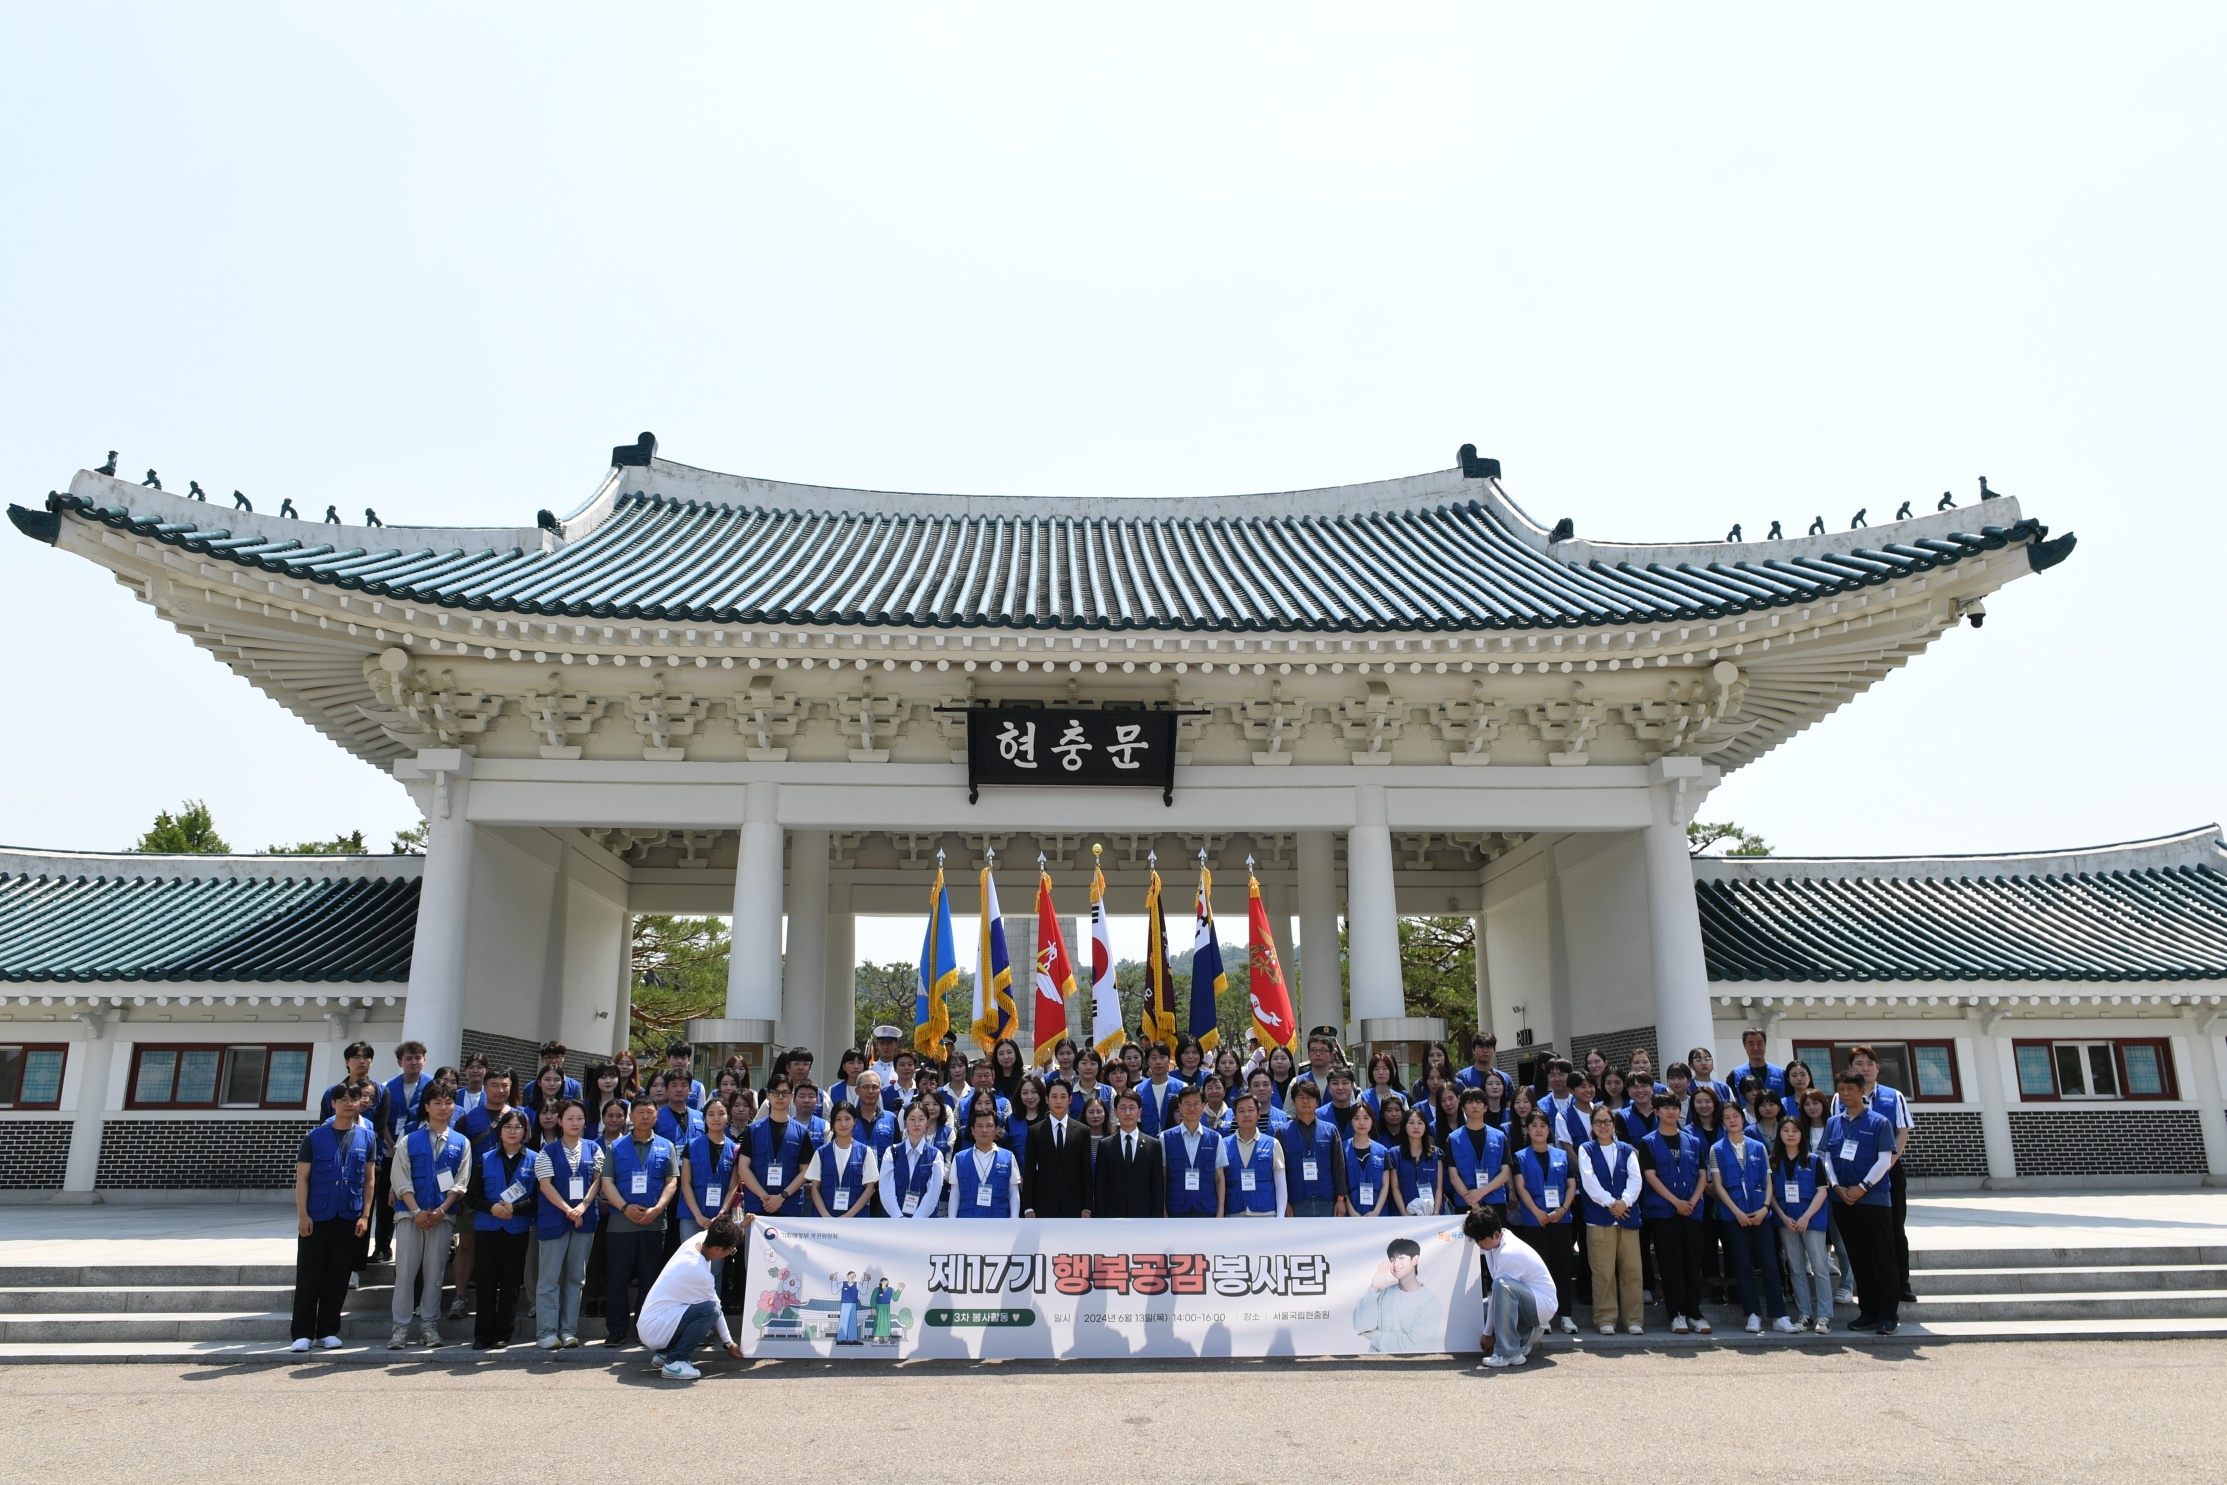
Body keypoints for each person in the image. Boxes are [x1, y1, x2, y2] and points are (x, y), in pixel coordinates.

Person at [290, 1076, 377, 1351]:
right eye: (343, 1100)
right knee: (309, 1274)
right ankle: (302, 1332)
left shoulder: (367, 1136)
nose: (349, 1104)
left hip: (348, 1214)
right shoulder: (315, 1137)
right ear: (333, 1104)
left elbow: (370, 1179)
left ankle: (328, 1330)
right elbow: (302, 1178)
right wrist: (303, 1215)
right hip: (318, 1214)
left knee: (339, 1274)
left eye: (354, 1099)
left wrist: (364, 1215)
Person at [388, 1080, 469, 1349]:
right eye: (437, 1103)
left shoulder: (461, 1142)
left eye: (448, 1102)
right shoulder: (410, 1139)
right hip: (410, 1216)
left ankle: (429, 1327)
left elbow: (460, 1181)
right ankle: (399, 1328)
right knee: (405, 1274)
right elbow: (400, 1179)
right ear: (426, 1106)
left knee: (435, 1274)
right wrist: (416, 1210)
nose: (443, 1108)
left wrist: (441, 1210)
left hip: (442, 1217)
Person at [600, 1095, 678, 1348]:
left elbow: (672, 1181)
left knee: (650, 1279)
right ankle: (616, 1329)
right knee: (617, 1279)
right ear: (631, 1117)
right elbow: (607, 1182)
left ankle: (647, 1329)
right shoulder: (615, 1147)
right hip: (621, 1224)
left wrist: (658, 1208)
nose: (645, 1116)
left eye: (650, 1112)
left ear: (657, 1116)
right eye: (640, 1112)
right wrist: (624, 1207)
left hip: (654, 1223)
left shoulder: (667, 1146)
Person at [1826, 1069, 1900, 1333]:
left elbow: (1884, 1160)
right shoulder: (1834, 1122)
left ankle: (1888, 1314)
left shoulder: (1879, 1122)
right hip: (1844, 1200)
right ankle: (1867, 1311)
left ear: (1861, 1091)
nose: (1846, 1094)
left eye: (1851, 1089)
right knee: (1858, 1258)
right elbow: (1825, 1157)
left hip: (1874, 1199)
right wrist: (1836, 1186)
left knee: (1883, 1257)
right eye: (1841, 1090)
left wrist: (1862, 1187)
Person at [637, 1213, 748, 1381]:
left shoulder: (699, 1239)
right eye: (731, 1250)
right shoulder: (699, 1271)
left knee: (703, 1308)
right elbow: (715, 1308)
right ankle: (675, 1361)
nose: (730, 1253)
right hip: (655, 1329)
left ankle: (665, 1354)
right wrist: (729, 1343)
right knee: (710, 1310)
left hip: (653, 1323)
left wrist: (740, 1224)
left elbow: (718, 1230)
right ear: (718, 1249)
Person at [1711, 1102, 1790, 1333]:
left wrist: (1766, 1207)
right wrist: (1736, 1212)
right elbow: (1718, 1185)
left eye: (1736, 1116)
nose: (1732, 1120)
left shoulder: (1758, 1147)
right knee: (1743, 1265)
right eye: (1727, 1117)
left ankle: (1779, 1315)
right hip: (1733, 1215)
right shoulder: (1716, 1149)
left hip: (1761, 1213)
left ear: (1742, 1119)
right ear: (1722, 1122)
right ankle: (1752, 1314)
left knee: (1770, 1265)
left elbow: (1767, 1181)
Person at [1849, 1044, 1916, 1304]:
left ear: (1877, 1068)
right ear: (1850, 1069)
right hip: (1855, 1173)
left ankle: (1902, 1282)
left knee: (1894, 1227)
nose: (1864, 1069)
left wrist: (1887, 1163)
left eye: (1869, 1064)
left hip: (1889, 1171)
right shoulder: (1842, 1097)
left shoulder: (1893, 1096)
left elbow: (1902, 1132)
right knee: (1863, 1231)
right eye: (1858, 1064)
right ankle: (1870, 1285)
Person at [1638, 1092, 1709, 1334]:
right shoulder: (1648, 1142)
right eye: (1665, 1108)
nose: (1670, 1112)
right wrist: (1675, 1202)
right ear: (1655, 1112)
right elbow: (1650, 1177)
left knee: (1692, 1262)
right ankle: (1676, 1313)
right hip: (1664, 1212)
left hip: (1692, 1210)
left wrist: (1692, 1200)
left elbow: (1702, 1175)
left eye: (1674, 1108)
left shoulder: (1693, 1141)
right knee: (1670, 1263)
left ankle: (1695, 1313)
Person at [468, 1108, 536, 1349]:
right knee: (485, 1282)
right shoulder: (485, 1159)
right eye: (507, 1127)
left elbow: (538, 1199)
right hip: (488, 1228)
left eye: (517, 1127)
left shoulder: (535, 1160)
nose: (512, 1131)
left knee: (510, 1284)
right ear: (499, 1131)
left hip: (517, 1230)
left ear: (525, 1131)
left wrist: (515, 1209)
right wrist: (492, 1208)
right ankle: (482, 1334)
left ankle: (502, 1334)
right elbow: (472, 1197)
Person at [1509, 1110, 1579, 1333]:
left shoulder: (1561, 1155)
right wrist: (1537, 1212)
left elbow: (1571, 1185)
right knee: (1540, 1270)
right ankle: (1543, 1317)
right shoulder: (1519, 1156)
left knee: (1563, 1269)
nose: (1538, 1129)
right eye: (1534, 1125)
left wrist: (1563, 1208)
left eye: (1543, 1125)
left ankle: (1566, 1316)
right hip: (1534, 1221)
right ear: (1527, 1130)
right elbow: (1520, 1188)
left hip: (1561, 1218)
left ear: (1549, 1130)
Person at [1466, 1205, 1559, 1368]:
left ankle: (1508, 1352)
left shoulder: (1508, 1253)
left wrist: (1487, 1334)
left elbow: (1498, 1294)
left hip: (1541, 1306)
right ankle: (1525, 1335)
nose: (1478, 1244)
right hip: (1529, 1300)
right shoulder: (1496, 1240)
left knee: (1501, 1286)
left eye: (1480, 1240)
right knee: (1475, 1312)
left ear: (1495, 1234)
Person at [1579, 1105, 1645, 1335]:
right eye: (1598, 1122)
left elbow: (1636, 1180)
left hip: (1627, 1218)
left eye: (1607, 1122)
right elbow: (1589, 1183)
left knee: (1632, 1271)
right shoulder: (1585, 1149)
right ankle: (1605, 1318)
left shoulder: (1627, 1150)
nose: (1603, 1126)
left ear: (1614, 1124)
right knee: (1603, 1273)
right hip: (1599, 1220)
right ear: (1592, 1126)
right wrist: (1611, 1204)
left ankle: (1633, 1319)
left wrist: (1624, 1202)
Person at [1772, 1113, 1834, 1333]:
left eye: (1795, 1130)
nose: (1790, 1135)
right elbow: (1771, 1195)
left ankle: (1824, 1316)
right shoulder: (1775, 1161)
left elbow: (1822, 1191)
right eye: (1786, 1131)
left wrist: (1807, 1216)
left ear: (1802, 1134)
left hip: (1812, 1219)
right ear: (1779, 1134)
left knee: (1819, 1267)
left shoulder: (1814, 1160)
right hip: (1786, 1220)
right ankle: (1805, 1314)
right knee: (1796, 1268)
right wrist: (1782, 1216)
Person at [372, 1040, 431, 1265]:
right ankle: (382, 1247)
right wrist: (391, 1144)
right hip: (391, 1152)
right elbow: (383, 1120)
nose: (414, 1062)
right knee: (386, 1201)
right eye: (408, 1058)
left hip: (420, 1153)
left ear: (424, 1060)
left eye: (418, 1058)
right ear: (400, 1062)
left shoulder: (431, 1086)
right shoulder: (387, 1086)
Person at [680, 1096, 741, 1284]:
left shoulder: (735, 1149)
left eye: (721, 1114)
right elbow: (685, 1183)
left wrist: (721, 1214)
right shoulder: (692, 1146)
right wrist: (698, 1215)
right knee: (690, 1265)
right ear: (704, 1118)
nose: (716, 1118)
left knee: (715, 1269)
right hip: (691, 1216)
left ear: (728, 1117)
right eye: (711, 1114)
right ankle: (689, 1312)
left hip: (719, 1218)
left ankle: (712, 1311)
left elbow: (734, 1186)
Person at [1351, 1236, 1439, 1353]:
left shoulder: (1429, 1301)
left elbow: (1414, 1346)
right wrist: (1374, 1288)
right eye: (1392, 1259)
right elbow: (1361, 1326)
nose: (1396, 1264)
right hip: (1376, 1365)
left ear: (1415, 1260)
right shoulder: (1385, 1292)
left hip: (1411, 1367)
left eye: (1401, 1258)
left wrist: (1375, 1336)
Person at [1022, 1078, 1092, 1218]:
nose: (1059, 1101)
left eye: (1063, 1097)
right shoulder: (1035, 1131)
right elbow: (1029, 1170)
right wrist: (1028, 1206)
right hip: (1043, 1202)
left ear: (1070, 1099)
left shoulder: (1082, 1130)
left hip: (1074, 1202)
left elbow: (1086, 1171)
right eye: (1054, 1097)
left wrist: (1087, 1207)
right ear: (1047, 1099)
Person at [743, 1078, 812, 1216]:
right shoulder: (753, 1130)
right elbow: (743, 1168)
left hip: (789, 1206)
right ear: (768, 1095)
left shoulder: (801, 1132)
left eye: (785, 1093)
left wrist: (782, 1196)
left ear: (791, 1096)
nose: (780, 1097)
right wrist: (765, 1197)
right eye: (775, 1092)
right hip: (757, 1206)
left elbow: (805, 1171)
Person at [1093, 1090, 1165, 1218]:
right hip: (1113, 1214)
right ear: (1115, 1112)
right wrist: (1101, 1218)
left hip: (1144, 1214)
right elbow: (1100, 1186)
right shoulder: (1105, 1145)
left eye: (1132, 1108)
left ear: (1139, 1111)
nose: (1127, 1113)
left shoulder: (1153, 1145)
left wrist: (1156, 1219)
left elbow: (1157, 1187)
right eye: (1122, 1108)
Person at [1279, 1080, 1346, 1217]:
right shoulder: (1282, 1132)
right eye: (1301, 1097)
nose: (1305, 1101)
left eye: (1309, 1098)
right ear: (1293, 1101)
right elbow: (1279, 1172)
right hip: (1296, 1203)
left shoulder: (1330, 1130)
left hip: (1327, 1202)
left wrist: (1340, 1199)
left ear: (1317, 1102)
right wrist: (1284, 1203)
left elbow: (1339, 1167)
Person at [1160, 1085, 1224, 1218]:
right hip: (1175, 1209)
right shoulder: (1165, 1138)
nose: (1192, 1108)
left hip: (1206, 1209)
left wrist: (1220, 1211)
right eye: (1187, 1104)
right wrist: (1164, 1210)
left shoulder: (1215, 1138)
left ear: (1203, 1106)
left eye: (1196, 1104)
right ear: (1180, 1107)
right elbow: (1163, 1177)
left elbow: (1219, 1177)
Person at [808, 1102, 880, 1218]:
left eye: (847, 1119)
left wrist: (848, 1216)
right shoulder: (821, 1153)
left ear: (854, 1121)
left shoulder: (865, 1152)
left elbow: (870, 1188)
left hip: (855, 1220)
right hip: (825, 1220)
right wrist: (827, 1217)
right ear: (832, 1122)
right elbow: (815, 1188)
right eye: (838, 1119)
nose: (843, 1124)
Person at [950, 1105, 1022, 1217]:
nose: (984, 1130)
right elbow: (955, 1194)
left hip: (999, 1222)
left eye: (989, 1126)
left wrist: (1014, 1220)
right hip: (967, 1223)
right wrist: (952, 1222)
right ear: (972, 1130)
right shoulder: (960, 1158)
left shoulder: (1008, 1157)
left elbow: (1013, 1192)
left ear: (996, 1129)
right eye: (979, 1126)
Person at [1223, 1092, 1286, 1218]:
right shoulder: (1223, 1144)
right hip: (1234, 1214)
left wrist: (1280, 1217)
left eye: (1250, 1110)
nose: (1246, 1115)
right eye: (1241, 1111)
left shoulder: (1272, 1143)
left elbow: (1280, 1184)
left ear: (1258, 1114)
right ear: (1234, 1116)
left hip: (1266, 1214)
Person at [882, 1100, 948, 1219]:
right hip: (894, 1221)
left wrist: (916, 1220)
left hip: (925, 1222)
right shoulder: (892, 1152)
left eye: (921, 1119)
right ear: (905, 1122)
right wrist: (898, 1217)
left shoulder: (935, 1155)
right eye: (912, 1119)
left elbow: (933, 1192)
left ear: (927, 1122)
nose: (917, 1123)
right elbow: (886, 1190)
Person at [1391, 1101, 1442, 1217]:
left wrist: (1436, 1213)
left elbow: (1439, 1186)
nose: (1416, 1127)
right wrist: (1404, 1214)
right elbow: (1395, 1187)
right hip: (1403, 1216)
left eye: (1420, 1123)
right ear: (1404, 1127)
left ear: (1425, 1127)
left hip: (1432, 1215)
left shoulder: (1436, 1153)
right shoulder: (1394, 1154)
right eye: (1411, 1123)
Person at [1342, 1100, 1390, 1217]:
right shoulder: (1341, 1149)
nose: (1361, 1123)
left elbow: (1385, 1184)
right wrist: (1352, 1212)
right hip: (1351, 1214)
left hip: (1378, 1213)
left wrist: (1376, 1211)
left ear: (1372, 1121)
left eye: (1366, 1118)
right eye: (1356, 1118)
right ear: (1351, 1122)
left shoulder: (1382, 1151)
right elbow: (1340, 1184)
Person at [1136, 1042, 1182, 1137]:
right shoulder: (1138, 1089)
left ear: (1169, 1060)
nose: (1158, 1062)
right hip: (1148, 1144)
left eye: (1162, 1057)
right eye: (1153, 1058)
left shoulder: (1181, 1087)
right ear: (1148, 1062)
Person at [1737, 1028, 1785, 1095]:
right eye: (1751, 1044)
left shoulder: (1782, 1074)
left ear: (1765, 1044)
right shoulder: (1735, 1075)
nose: (1756, 1048)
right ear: (1744, 1046)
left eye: (1759, 1044)